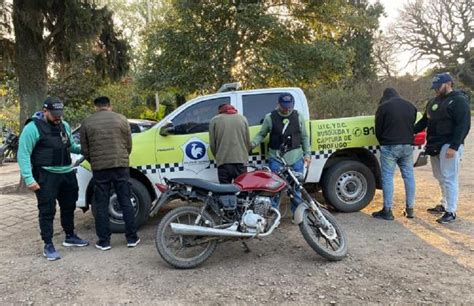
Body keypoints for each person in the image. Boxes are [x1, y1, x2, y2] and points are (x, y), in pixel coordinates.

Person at [17, 97, 89, 261]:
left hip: (67, 172)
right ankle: (48, 244)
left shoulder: (64, 125)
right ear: (45, 111)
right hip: (46, 175)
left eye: (60, 114)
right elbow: (23, 154)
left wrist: (87, 149)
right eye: (55, 114)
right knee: (47, 210)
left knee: (69, 206)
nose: (58, 117)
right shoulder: (32, 127)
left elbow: (71, 146)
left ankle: (70, 236)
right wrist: (29, 179)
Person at [80, 96, 140, 250]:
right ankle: (132, 238)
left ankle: (104, 241)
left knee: (101, 204)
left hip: (100, 168)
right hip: (120, 165)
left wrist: (94, 161)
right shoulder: (122, 119)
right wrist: (122, 157)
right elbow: (128, 144)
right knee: (125, 200)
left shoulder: (87, 122)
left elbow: (85, 149)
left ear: (95, 107)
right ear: (110, 106)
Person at [414, 73, 471, 223]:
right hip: (434, 145)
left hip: (449, 144)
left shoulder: (459, 101)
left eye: (438, 86)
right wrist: (408, 131)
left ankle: (451, 211)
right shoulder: (433, 102)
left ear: (448, 83)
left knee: (449, 178)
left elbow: (463, 125)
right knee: (440, 177)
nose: (436, 90)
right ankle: (444, 203)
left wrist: (454, 146)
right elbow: (424, 122)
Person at [251, 93, 311, 214]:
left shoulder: (298, 116)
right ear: (278, 104)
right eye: (284, 106)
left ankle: (298, 215)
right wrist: (253, 143)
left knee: (297, 188)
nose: (287, 109)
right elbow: (261, 134)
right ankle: (273, 215)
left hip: (296, 158)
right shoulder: (270, 117)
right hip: (277, 159)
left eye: (290, 106)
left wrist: (307, 154)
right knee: (274, 189)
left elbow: (304, 137)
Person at [373, 88, 418, 221]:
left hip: (390, 146)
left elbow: (378, 129)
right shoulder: (411, 106)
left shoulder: (383, 107)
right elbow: (412, 125)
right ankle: (410, 209)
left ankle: (387, 210)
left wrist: (383, 143)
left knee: (387, 178)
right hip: (407, 145)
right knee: (409, 176)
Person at [209, 103, 251, 184]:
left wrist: (218, 157)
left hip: (223, 162)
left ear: (220, 111)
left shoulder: (214, 120)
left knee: (225, 191)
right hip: (240, 161)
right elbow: (247, 142)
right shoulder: (242, 119)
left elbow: (213, 145)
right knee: (242, 189)